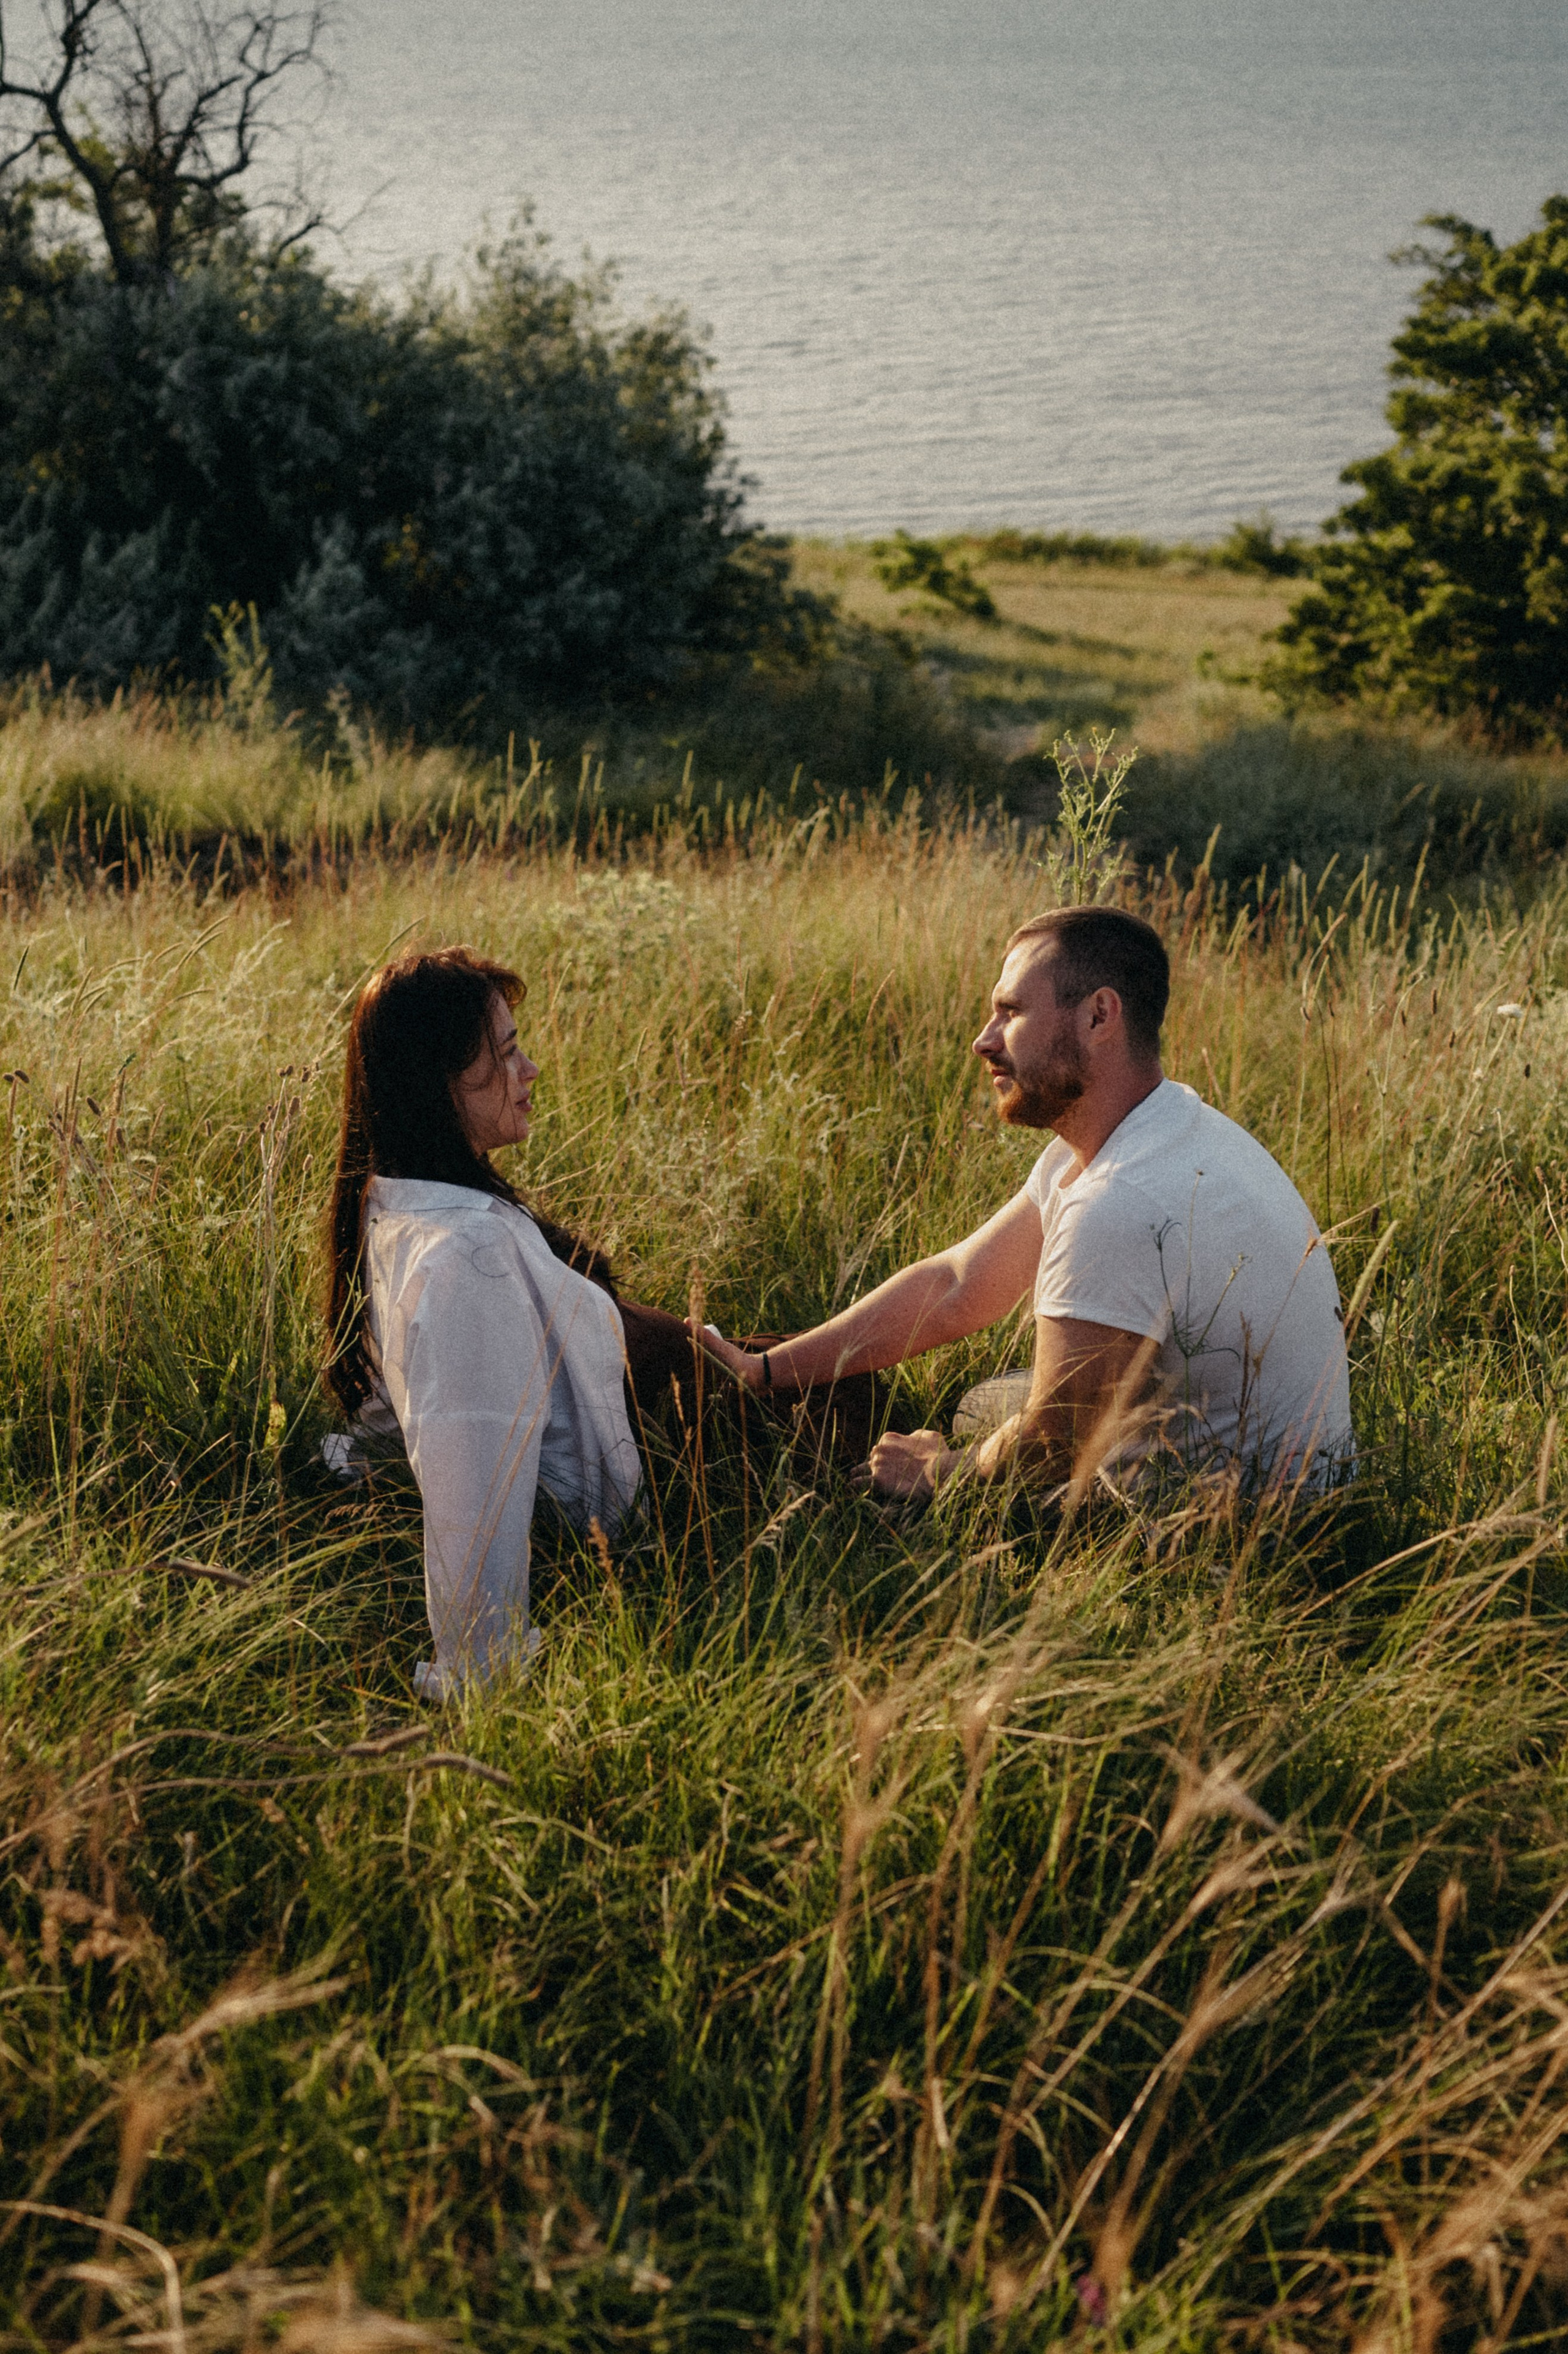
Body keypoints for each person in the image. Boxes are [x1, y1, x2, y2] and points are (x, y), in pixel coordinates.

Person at [697, 907, 1352, 1503]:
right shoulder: (1156, 1128)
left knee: (908, 1490)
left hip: (1228, 1523)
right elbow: (958, 1285)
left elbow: (1052, 1446)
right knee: (987, 1404)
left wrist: (932, 1471)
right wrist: (764, 1372)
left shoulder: (1117, 1200)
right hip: (1296, 1473)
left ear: (1099, 1016)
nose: (984, 1041)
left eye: (1010, 1013)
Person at [324, 948, 645, 1699]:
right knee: (870, 1408)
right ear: (437, 1087)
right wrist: (481, 1662)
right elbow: (473, 1471)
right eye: (506, 1055)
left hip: (685, 1377)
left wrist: (373, 1457)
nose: (530, 1070)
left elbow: (408, 1384)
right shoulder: (465, 1254)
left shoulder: (400, 1194)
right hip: (688, 1443)